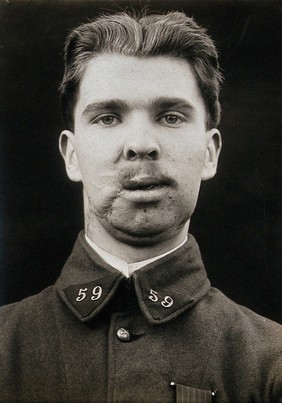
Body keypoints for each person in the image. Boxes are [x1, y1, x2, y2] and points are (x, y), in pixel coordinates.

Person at [0, 10, 281, 403]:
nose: (141, 144)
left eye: (170, 116)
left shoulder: (271, 363)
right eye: (108, 117)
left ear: (209, 153)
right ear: (72, 156)